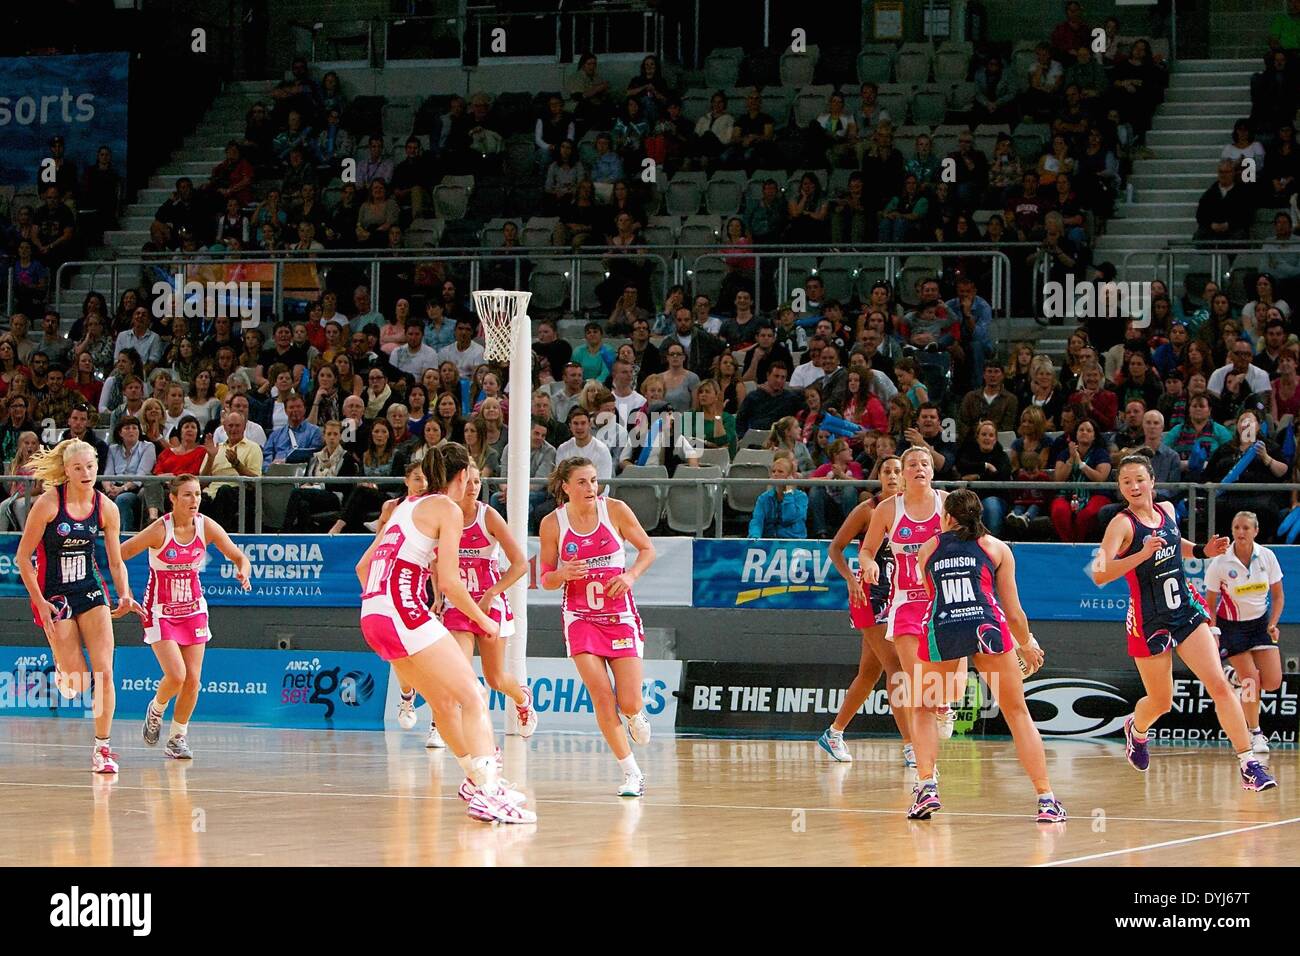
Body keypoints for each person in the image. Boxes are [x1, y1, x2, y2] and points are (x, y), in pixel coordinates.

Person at [356, 444, 535, 823]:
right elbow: (452, 584)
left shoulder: (406, 505)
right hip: (402, 610)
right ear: (462, 477)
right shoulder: (448, 509)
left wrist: (386, 599)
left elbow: (362, 567)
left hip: (372, 612)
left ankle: (476, 779)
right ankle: (488, 793)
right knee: (473, 694)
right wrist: (484, 620)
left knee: (444, 701)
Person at [1091, 455, 1276, 792]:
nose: (1133, 486)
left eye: (1139, 479)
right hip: (1149, 617)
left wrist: (1203, 551)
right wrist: (1140, 555)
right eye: (1126, 482)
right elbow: (1100, 573)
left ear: (1152, 481)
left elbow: (1177, 547)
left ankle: (1249, 763)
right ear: (1120, 487)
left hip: (1184, 609)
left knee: (1220, 684)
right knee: (1161, 700)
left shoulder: (1168, 510)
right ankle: (1137, 729)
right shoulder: (1122, 524)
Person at [910, 490, 1062, 822]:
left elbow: (932, 594)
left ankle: (926, 787)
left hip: (945, 626)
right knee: (1017, 712)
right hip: (987, 626)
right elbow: (1014, 611)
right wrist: (1027, 643)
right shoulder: (996, 548)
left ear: (947, 517)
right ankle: (1046, 799)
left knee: (922, 706)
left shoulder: (929, 549)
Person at [14, 438, 139, 773]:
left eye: (90, 467)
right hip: (54, 594)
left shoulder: (106, 508)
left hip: (90, 591)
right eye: (78, 468)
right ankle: (61, 665)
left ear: (98, 467)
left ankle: (102, 748)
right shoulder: (48, 503)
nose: (86, 473)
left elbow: (115, 562)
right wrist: (39, 603)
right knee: (77, 685)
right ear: (66, 471)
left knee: (105, 672)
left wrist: (124, 592)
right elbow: (22, 557)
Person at [539, 457, 656, 798]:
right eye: (582, 482)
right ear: (566, 487)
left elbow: (648, 549)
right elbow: (544, 578)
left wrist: (630, 575)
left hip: (619, 615)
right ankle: (632, 773)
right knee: (603, 698)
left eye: (593, 481)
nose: (591, 487)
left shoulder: (615, 510)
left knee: (629, 701)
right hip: (580, 618)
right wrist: (561, 575)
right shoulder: (553, 523)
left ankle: (635, 715)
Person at [119, 475, 251, 759]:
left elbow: (238, 556)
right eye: (188, 495)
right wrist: (125, 593)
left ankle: (177, 737)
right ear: (174, 499)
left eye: (198, 495)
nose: (195, 501)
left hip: (193, 609)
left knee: (193, 680)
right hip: (160, 610)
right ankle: (156, 708)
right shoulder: (159, 530)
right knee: (176, 675)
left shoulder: (206, 526)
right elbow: (120, 555)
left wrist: (243, 569)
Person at [858, 446, 959, 760]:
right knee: (915, 684)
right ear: (903, 473)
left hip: (944, 599)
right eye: (912, 464)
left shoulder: (947, 504)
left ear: (932, 470)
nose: (919, 468)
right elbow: (866, 550)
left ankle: (943, 702)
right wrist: (869, 564)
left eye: (925, 463)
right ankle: (924, 766)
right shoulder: (888, 509)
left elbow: (969, 541)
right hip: (906, 602)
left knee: (944, 685)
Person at [821, 456, 913, 765]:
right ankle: (912, 745)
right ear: (879, 477)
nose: (891, 475)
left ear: (905, 477)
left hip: (898, 596)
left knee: (868, 673)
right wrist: (849, 579)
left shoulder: (912, 509)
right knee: (896, 667)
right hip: (868, 596)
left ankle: (833, 733)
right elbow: (835, 548)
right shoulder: (868, 510)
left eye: (897, 471)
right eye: (886, 470)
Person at [1205, 511, 1285, 760]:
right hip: (1232, 627)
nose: (1240, 532)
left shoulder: (1267, 557)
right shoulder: (1220, 562)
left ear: (1256, 531)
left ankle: (1233, 679)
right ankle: (1255, 732)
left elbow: (1279, 596)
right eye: (1236, 527)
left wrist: (1273, 623)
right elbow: (1210, 600)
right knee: (1252, 680)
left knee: (1271, 682)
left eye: (1246, 528)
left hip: (1260, 625)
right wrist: (1213, 631)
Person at [747, 454, 807, 538]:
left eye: (780, 471)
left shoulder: (801, 497)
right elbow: (757, 520)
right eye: (773, 471)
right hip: (770, 541)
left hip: (793, 542)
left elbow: (789, 517)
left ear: (790, 476)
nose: (775, 474)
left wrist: (789, 493)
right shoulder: (764, 497)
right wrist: (755, 537)